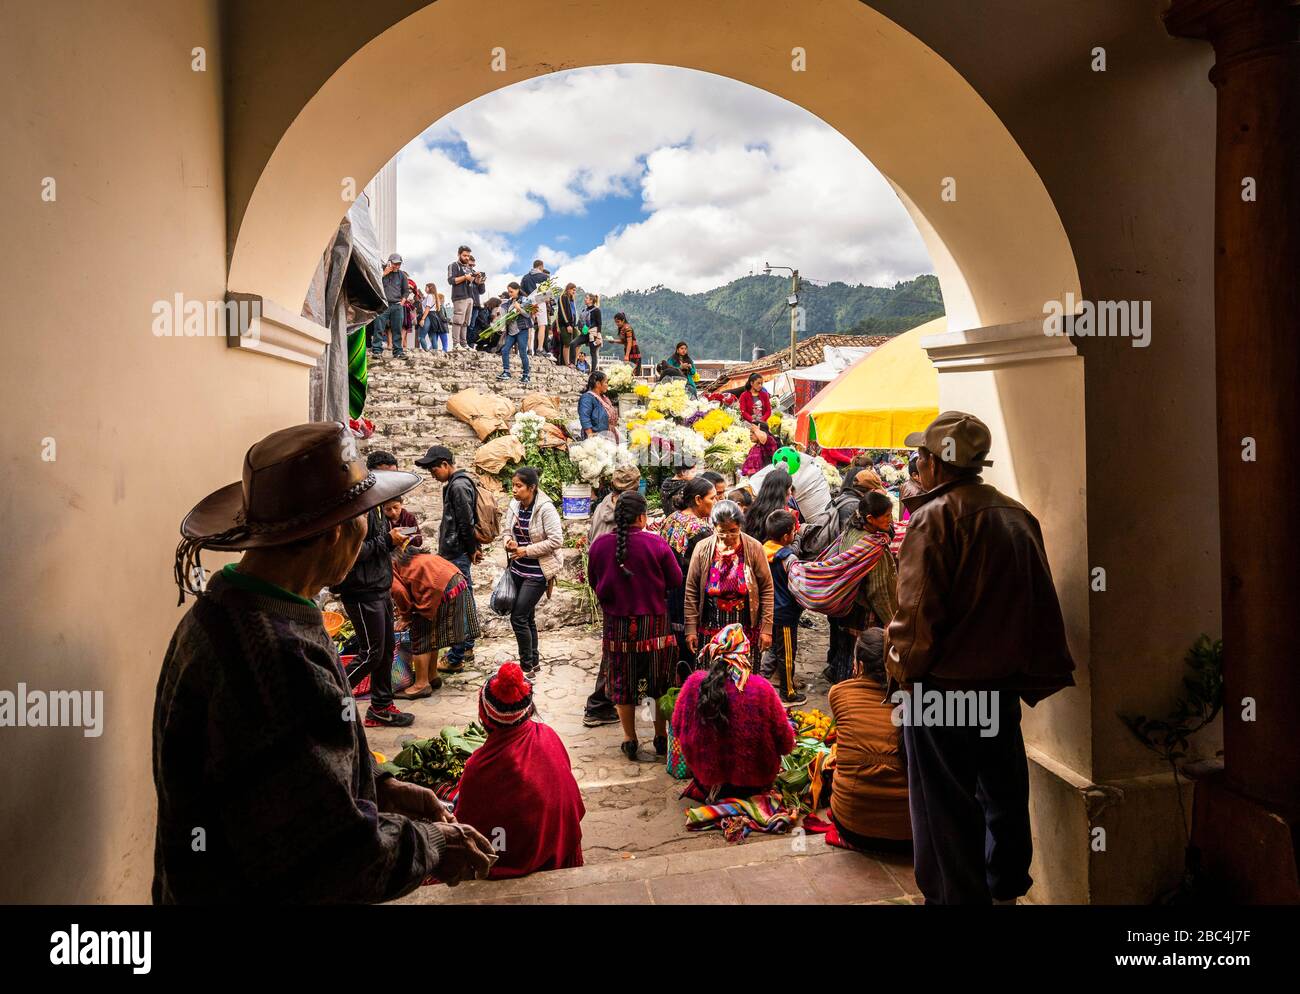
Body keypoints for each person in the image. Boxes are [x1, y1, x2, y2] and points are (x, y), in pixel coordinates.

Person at [156, 421, 497, 902]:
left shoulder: (219, 612)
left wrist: (381, 786)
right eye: (366, 515)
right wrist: (434, 842)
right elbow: (342, 858)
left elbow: (290, 773)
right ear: (338, 531)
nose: (368, 527)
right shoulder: (279, 657)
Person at [888, 411, 1075, 905]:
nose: (916, 465)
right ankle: (1005, 890)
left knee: (944, 808)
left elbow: (916, 618)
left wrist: (900, 676)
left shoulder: (933, 519)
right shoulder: (1015, 513)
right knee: (1004, 795)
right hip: (998, 687)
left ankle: (958, 898)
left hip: (942, 692)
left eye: (920, 457)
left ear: (933, 463)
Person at [454, 663, 585, 879]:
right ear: (529, 709)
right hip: (558, 848)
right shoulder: (548, 736)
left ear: (484, 715)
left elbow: (470, 827)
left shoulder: (478, 767)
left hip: (512, 857)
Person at [586, 492, 683, 760]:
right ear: (642, 517)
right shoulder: (656, 544)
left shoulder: (599, 546)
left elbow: (594, 582)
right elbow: (675, 579)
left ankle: (630, 738)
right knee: (657, 683)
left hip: (617, 627)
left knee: (623, 684)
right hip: (654, 627)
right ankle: (660, 735)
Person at [329, 450, 416, 728]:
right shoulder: (357, 506)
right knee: (370, 653)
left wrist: (393, 542)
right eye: (387, 473)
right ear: (373, 472)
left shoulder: (378, 505)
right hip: (360, 590)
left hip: (379, 587)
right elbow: (351, 552)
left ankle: (380, 706)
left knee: (386, 648)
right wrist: (387, 542)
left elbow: (378, 545)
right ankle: (332, 700)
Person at [671, 624, 796, 799]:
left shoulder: (694, 684)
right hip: (753, 786)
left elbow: (677, 729)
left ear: (714, 653)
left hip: (707, 781)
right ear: (745, 655)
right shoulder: (761, 688)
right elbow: (786, 743)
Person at [827, 628, 911, 850]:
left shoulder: (839, 694)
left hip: (854, 827)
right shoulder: (915, 697)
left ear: (859, 666)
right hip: (911, 833)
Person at [414, 445, 481, 672]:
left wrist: (471, 549)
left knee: (457, 603)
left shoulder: (458, 486)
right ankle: (467, 646)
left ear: (445, 464)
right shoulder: (455, 484)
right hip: (459, 551)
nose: (433, 475)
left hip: (457, 553)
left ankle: (455, 657)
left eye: (434, 470)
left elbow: (465, 522)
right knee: (465, 598)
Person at [389, 538, 481, 699]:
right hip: (456, 581)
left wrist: (405, 616)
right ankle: (432, 676)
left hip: (441, 588)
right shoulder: (414, 558)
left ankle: (421, 684)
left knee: (420, 636)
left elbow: (399, 592)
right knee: (433, 635)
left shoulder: (390, 565)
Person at [684, 499, 774, 658]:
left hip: (745, 630)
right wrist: (690, 629)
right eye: (722, 531)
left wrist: (766, 629)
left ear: (740, 526)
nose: (728, 536)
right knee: (713, 679)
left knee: (742, 678)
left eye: (733, 530)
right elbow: (691, 590)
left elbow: (767, 588)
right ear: (713, 527)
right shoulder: (702, 548)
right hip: (711, 628)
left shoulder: (754, 548)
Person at [826, 489, 899, 684]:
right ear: (870, 518)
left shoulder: (852, 530)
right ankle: (851, 695)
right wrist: (889, 619)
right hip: (864, 613)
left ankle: (840, 688)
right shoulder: (871, 546)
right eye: (886, 516)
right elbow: (878, 590)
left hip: (848, 608)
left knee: (846, 653)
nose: (891, 520)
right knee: (858, 660)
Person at [501, 467, 564, 676]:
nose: (514, 490)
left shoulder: (546, 509)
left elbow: (556, 540)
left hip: (537, 572)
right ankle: (534, 662)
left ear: (532, 488)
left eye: (519, 486)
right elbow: (506, 530)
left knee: (518, 618)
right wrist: (509, 542)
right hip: (518, 569)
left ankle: (526, 666)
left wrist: (525, 550)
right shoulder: (515, 506)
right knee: (526, 617)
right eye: (513, 486)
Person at [660, 477, 717, 669]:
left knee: (676, 643)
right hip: (689, 593)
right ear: (698, 499)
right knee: (691, 646)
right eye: (712, 498)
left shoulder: (671, 518)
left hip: (669, 591)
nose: (715, 503)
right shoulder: (701, 529)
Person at [759, 510, 807, 707]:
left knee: (772, 651)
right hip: (785, 613)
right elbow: (799, 586)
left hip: (768, 612)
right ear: (787, 536)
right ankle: (788, 692)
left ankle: (759, 682)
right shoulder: (789, 559)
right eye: (794, 532)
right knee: (787, 653)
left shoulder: (761, 551)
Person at [587, 464, 642, 546]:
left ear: (612, 485)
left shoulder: (599, 508)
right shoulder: (634, 513)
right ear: (637, 489)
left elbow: (590, 540)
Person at [373, 253, 411, 358]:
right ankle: (376, 351)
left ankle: (398, 352)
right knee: (379, 328)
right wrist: (383, 274)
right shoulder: (380, 271)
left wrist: (402, 302)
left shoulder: (402, 275)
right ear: (389, 262)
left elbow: (406, 291)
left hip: (397, 305)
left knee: (397, 329)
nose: (397, 266)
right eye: (395, 264)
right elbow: (373, 283)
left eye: (399, 264)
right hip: (383, 304)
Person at [744, 467, 794, 541]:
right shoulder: (779, 517)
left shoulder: (753, 509)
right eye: (790, 489)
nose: (791, 492)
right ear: (783, 492)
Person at [498, 282, 532, 383]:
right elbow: (505, 316)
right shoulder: (508, 303)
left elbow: (527, 315)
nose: (509, 293)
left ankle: (526, 375)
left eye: (511, 291)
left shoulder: (524, 300)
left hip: (522, 330)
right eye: (509, 292)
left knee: (522, 353)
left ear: (517, 290)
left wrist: (519, 309)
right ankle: (506, 372)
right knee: (504, 350)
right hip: (511, 332)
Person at [447, 245, 479, 351]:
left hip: (470, 296)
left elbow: (475, 283)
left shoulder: (469, 268)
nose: (466, 258)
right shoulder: (454, 265)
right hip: (459, 296)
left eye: (468, 256)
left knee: (466, 322)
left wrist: (478, 278)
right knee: (458, 320)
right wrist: (465, 277)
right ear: (459, 254)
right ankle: (456, 344)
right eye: (465, 255)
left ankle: (464, 344)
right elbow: (451, 280)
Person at [520, 259, 549, 356]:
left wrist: (530, 300)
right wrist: (538, 300)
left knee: (529, 326)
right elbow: (547, 294)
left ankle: (529, 349)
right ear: (541, 266)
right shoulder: (544, 276)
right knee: (542, 325)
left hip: (528, 302)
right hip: (540, 301)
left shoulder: (525, 277)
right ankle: (540, 349)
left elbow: (521, 292)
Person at [578, 369, 618, 438]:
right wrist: (590, 436)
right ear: (598, 384)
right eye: (605, 383)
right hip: (596, 438)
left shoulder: (604, 397)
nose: (607, 385)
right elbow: (585, 418)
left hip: (608, 436)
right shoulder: (587, 398)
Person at [555, 283, 580, 366]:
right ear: (569, 289)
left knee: (577, 342)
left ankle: (574, 361)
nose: (574, 292)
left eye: (575, 290)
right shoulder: (563, 297)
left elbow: (574, 312)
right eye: (573, 290)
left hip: (573, 325)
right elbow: (562, 312)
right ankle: (567, 363)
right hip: (565, 324)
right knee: (567, 344)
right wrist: (567, 324)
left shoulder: (572, 299)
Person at [581, 292, 603, 369]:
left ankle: (593, 371)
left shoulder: (597, 310)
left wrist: (598, 336)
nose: (585, 299)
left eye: (586, 298)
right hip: (586, 331)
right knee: (575, 343)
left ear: (591, 300)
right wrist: (582, 329)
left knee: (593, 353)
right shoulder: (584, 310)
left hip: (594, 334)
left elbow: (599, 324)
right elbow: (583, 322)